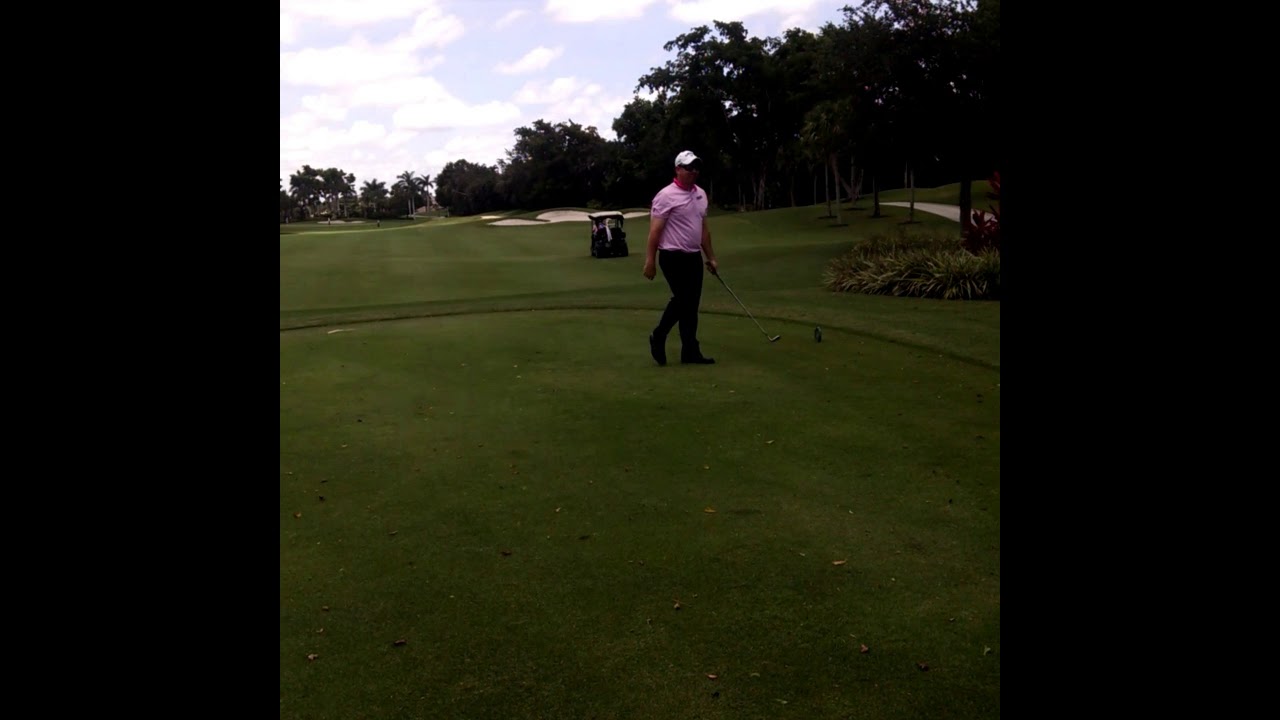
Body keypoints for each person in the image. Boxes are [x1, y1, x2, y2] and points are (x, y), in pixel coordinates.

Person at [643, 150, 718, 365]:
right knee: (684, 299)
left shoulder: (701, 194)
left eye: (696, 167)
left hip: (693, 257)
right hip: (672, 256)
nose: (693, 171)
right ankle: (659, 335)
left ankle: (690, 352)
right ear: (677, 169)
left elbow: (704, 230)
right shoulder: (666, 195)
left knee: (691, 305)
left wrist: (711, 257)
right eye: (688, 167)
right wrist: (650, 261)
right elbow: (655, 232)